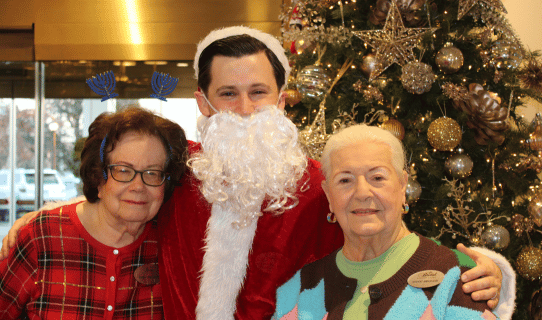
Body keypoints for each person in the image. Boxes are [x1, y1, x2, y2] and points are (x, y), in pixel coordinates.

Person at [1, 27, 514, 320]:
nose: (245, 110)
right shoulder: (175, 176)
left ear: (282, 100)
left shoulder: (322, 184)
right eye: (227, 94)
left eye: (258, 93)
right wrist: (44, 227)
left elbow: (380, 233)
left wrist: (477, 266)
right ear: (203, 102)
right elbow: (118, 208)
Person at [275, 125, 501, 319]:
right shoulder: (298, 290)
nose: (362, 192)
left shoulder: (458, 275)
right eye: (345, 180)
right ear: (328, 196)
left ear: (402, 185)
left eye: (377, 177)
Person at [0, 107, 188, 319]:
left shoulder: (172, 244)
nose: (138, 186)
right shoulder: (43, 236)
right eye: (123, 170)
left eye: (152, 173)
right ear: (98, 177)